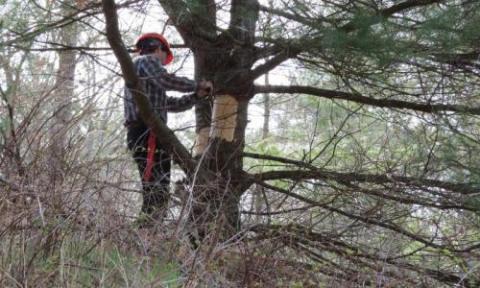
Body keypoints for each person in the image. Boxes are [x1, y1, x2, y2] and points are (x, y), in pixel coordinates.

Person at [124, 32, 212, 224]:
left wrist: (196, 96)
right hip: (147, 132)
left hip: (149, 133)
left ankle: (150, 229)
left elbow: (170, 103)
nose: (163, 62)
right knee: (154, 187)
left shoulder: (145, 79)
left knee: (158, 187)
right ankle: (146, 230)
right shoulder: (145, 60)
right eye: (164, 57)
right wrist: (198, 85)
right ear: (157, 48)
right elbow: (166, 80)